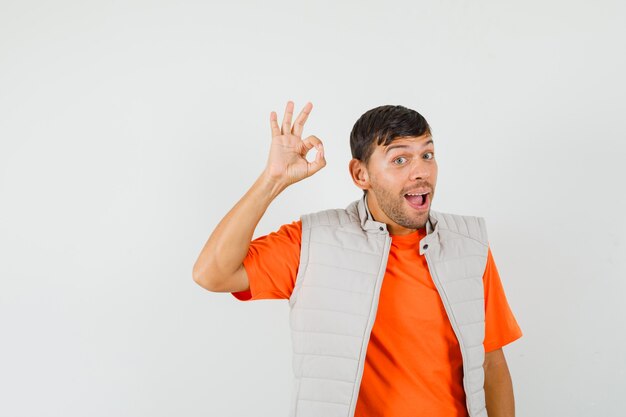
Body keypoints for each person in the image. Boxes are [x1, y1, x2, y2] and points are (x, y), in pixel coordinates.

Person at [192, 101, 523, 417]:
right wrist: (272, 180)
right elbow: (212, 273)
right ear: (360, 174)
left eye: (427, 154)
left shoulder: (468, 245)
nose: (421, 171)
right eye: (399, 160)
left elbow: (492, 364)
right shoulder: (312, 242)